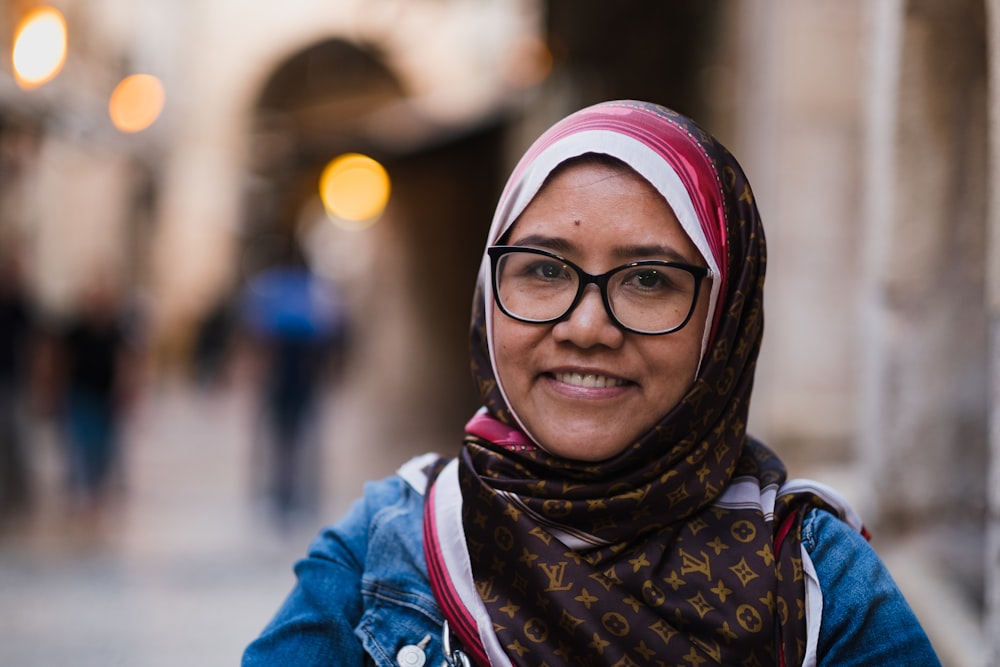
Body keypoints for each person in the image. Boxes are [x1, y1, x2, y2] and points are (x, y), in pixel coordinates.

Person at [242, 100, 940, 666]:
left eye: (648, 279)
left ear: (723, 323)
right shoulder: (386, 547)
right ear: (490, 295)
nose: (586, 326)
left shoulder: (817, 579)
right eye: (544, 269)